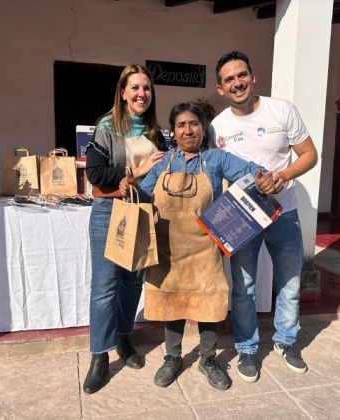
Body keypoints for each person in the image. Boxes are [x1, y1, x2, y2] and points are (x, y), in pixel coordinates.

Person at [120, 102, 275, 390]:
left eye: (193, 124)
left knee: (209, 303)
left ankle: (207, 359)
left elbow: (254, 170)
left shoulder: (217, 159)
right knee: (171, 303)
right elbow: (142, 195)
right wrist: (129, 185)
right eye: (181, 125)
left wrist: (265, 177)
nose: (187, 130)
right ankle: (172, 357)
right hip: (168, 250)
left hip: (205, 249)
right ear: (173, 131)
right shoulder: (162, 162)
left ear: (203, 130)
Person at [210, 51, 318, 381]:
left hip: (284, 212)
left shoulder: (281, 110)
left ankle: (287, 342)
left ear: (253, 77)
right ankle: (247, 349)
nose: (237, 82)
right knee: (243, 287)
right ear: (220, 89)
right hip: (244, 217)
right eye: (229, 79)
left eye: (242, 75)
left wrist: (283, 176)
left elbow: (309, 154)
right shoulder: (217, 127)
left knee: (290, 282)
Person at [83, 64, 166, 394]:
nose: (141, 94)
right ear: (122, 92)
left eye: (146, 88)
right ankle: (99, 356)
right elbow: (95, 174)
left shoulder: (154, 131)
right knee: (105, 285)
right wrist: (132, 173)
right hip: (110, 212)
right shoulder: (107, 126)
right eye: (135, 88)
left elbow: (160, 173)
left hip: (142, 211)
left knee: (132, 282)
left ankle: (124, 338)